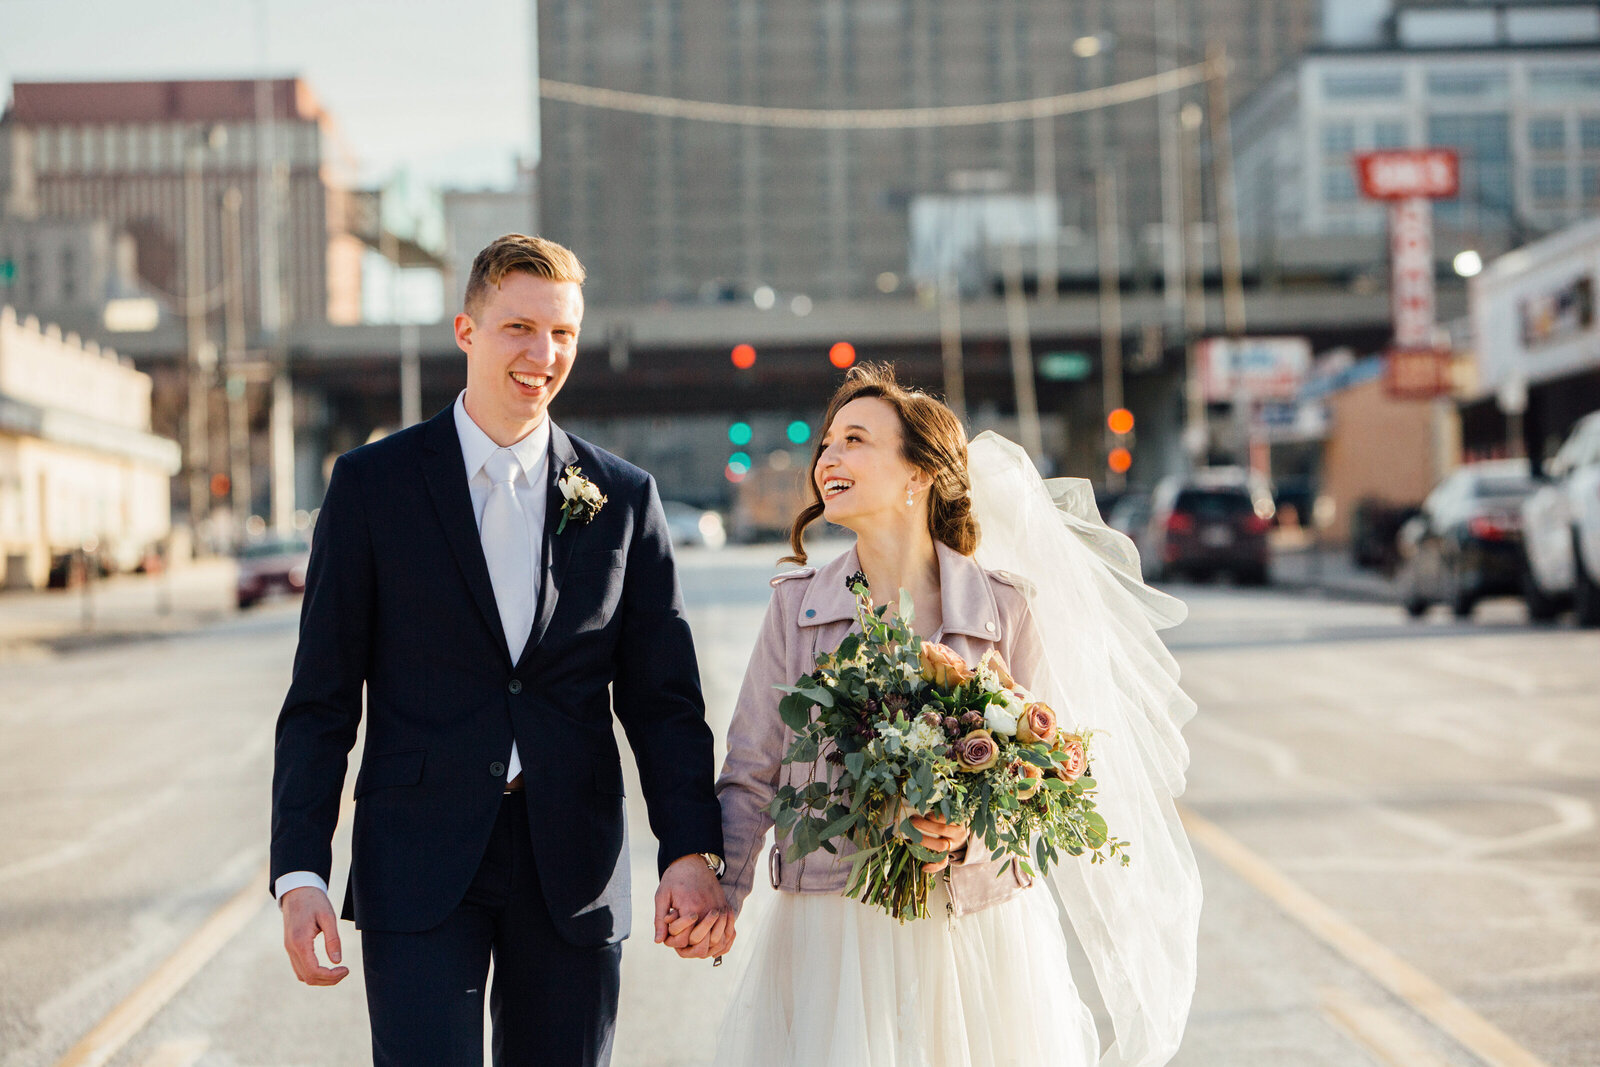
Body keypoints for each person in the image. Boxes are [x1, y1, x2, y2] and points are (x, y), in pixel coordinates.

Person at [270, 234, 732, 1067]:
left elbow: (664, 702)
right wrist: (299, 870)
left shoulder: (623, 498)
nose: (543, 353)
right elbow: (323, 697)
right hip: (418, 860)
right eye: (519, 326)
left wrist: (691, 850)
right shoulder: (372, 486)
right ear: (466, 331)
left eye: (562, 333)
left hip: (572, 863)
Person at [713, 364, 1201, 1067]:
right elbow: (752, 771)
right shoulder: (797, 607)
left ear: (918, 475)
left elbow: (1053, 774)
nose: (828, 459)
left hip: (977, 931)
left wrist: (963, 825)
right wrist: (720, 894)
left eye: (855, 440)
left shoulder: (1005, 608)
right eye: (827, 444)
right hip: (831, 932)